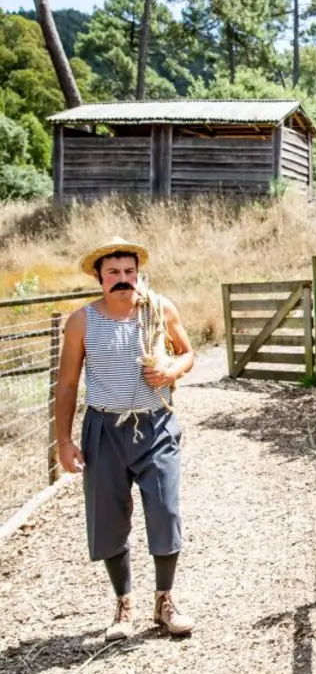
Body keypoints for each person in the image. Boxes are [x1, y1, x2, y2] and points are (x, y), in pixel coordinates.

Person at [54, 236, 197, 641]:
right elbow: (66, 385)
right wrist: (63, 441)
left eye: (129, 272)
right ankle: (123, 603)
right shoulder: (82, 322)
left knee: (165, 509)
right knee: (108, 517)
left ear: (139, 274)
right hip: (104, 429)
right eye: (113, 273)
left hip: (156, 424)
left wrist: (171, 370)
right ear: (99, 277)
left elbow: (188, 353)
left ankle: (165, 599)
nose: (122, 280)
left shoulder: (159, 308)